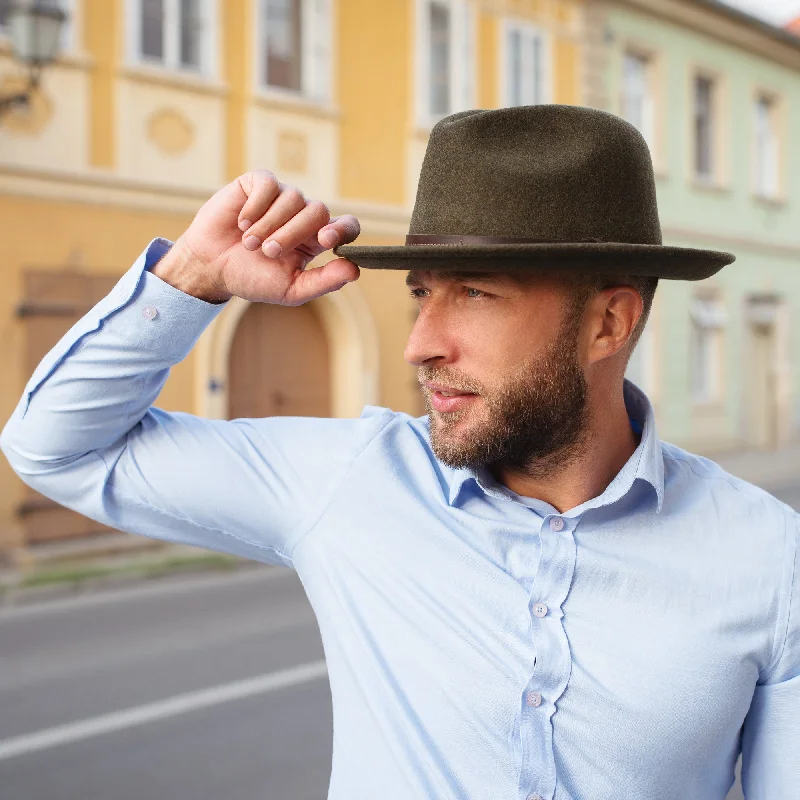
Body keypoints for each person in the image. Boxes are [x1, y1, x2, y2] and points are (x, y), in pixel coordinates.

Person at [1, 105, 797, 800]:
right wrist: (191, 278)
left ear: (608, 324)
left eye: (475, 293)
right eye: (421, 292)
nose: (420, 343)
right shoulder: (350, 481)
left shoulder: (766, 560)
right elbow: (59, 451)